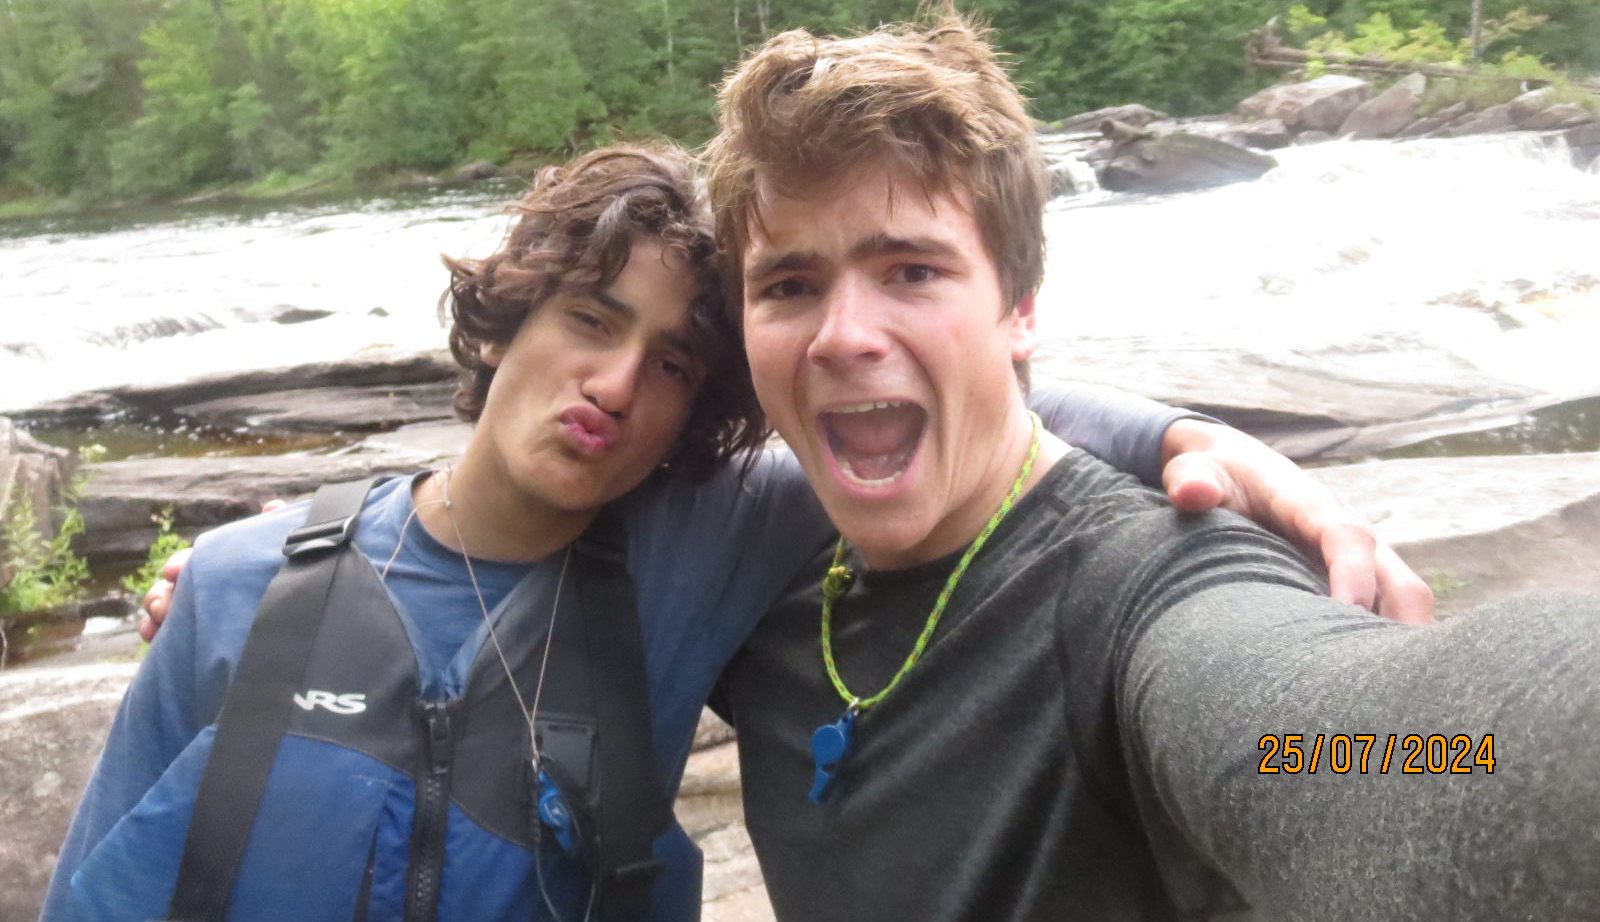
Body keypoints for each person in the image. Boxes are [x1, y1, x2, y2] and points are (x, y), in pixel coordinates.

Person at [52, 143, 1414, 922]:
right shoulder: (241, 587)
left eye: (672, 367)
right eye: (590, 320)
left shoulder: (703, 542)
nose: (615, 386)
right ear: (509, 316)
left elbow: (926, 392)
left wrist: (1182, 437)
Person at [700, 0, 1600, 921]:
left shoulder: (1144, 587)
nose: (843, 336)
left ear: (1022, 310)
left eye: (912, 271)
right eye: (790, 285)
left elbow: (1350, 746)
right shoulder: (752, 578)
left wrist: (1504, 758)